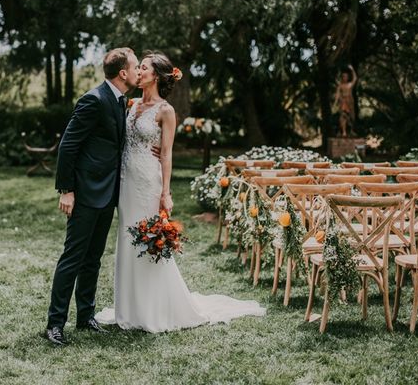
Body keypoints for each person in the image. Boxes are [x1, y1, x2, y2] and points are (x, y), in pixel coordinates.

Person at [95, 51, 265, 333]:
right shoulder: (131, 104)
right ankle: (130, 307)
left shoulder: (166, 111)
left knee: (147, 241)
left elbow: (167, 155)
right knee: (127, 239)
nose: (139, 71)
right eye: (139, 67)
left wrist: (166, 193)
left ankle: (155, 308)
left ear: (157, 77)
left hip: (148, 182)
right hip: (126, 181)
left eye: (144, 68)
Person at [46, 47, 139, 346]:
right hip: (85, 193)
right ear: (123, 72)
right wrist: (67, 190)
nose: (138, 72)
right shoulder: (94, 99)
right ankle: (55, 323)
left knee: (93, 259)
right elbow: (68, 147)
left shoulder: (119, 100)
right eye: (136, 67)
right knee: (72, 258)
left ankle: (85, 315)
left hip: (108, 193)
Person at [333, 65, 357, 138]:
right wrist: (335, 103)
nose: (345, 78)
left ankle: (351, 130)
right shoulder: (340, 85)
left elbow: (355, 78)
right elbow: (337, 94)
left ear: (348, 77)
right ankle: (344, 131)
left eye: (346, 76)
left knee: (351, 117)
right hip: (343, 102)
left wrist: (352, 70)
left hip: (350, 102)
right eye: (343, 76)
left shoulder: (349, 85)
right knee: (343, 116)